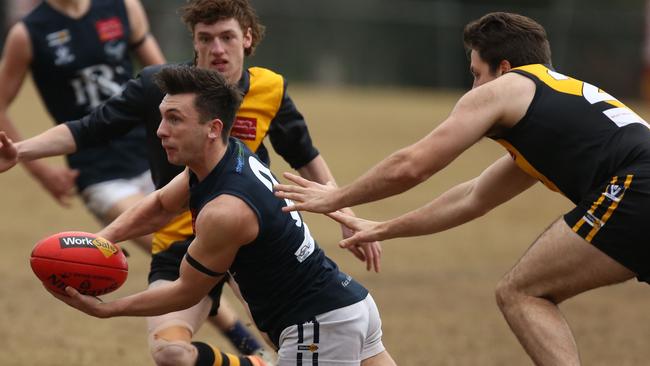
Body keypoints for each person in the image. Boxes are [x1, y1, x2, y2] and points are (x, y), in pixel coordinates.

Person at [0, 0, 381, 362]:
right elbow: (94, 132)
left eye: (227, 37)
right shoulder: (162, 90)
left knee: (292, 332)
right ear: (193, 42)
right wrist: (23, 153)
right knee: (170, 353)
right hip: (179, 241)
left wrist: (347, 215)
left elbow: (305, 157)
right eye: (205, 38)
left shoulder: (269, 91)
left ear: (247, 38)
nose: (217, 49)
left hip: (247, 239)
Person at [274, 12, 650, 365]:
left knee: (522, 292)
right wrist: (382, 227)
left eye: (475, 74)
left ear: (503, 69)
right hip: (639, 182)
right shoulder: (557, 112)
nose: (473, 88)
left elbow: (412, 165)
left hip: (637, 185)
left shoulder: (509, 87)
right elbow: (472, 198)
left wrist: (335, 197)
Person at [47, 65, 396, 366]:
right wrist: (100, 241)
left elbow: (185, 292)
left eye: (174, 119)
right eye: (162, 117)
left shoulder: (226, 210)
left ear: (213, 128)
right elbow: (161, 206)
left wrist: (107, 309)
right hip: (349, 305)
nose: (159, 131)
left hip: (318, 327)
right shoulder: (228, 155)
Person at [0, 0, 165, 250]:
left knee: (210, 246)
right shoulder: (27, 33)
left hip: (156, 154)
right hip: (100, 174)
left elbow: (164, 81)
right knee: (169, 247)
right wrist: (41, 172)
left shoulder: (124, 7)